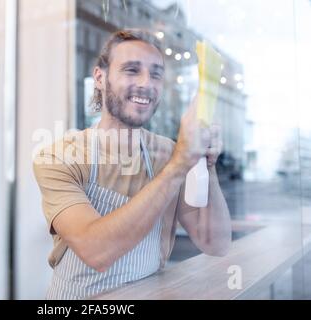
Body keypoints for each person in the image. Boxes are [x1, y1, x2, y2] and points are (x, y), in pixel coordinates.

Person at [33, 29, 231, 300]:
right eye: (131, 70)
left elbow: (215, 242)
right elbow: (97, 251)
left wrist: (206, 164)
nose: (146, 83)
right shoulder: (59, 157)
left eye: (156, 74)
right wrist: (179, 163)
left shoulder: (168, 153)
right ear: (100, 78)